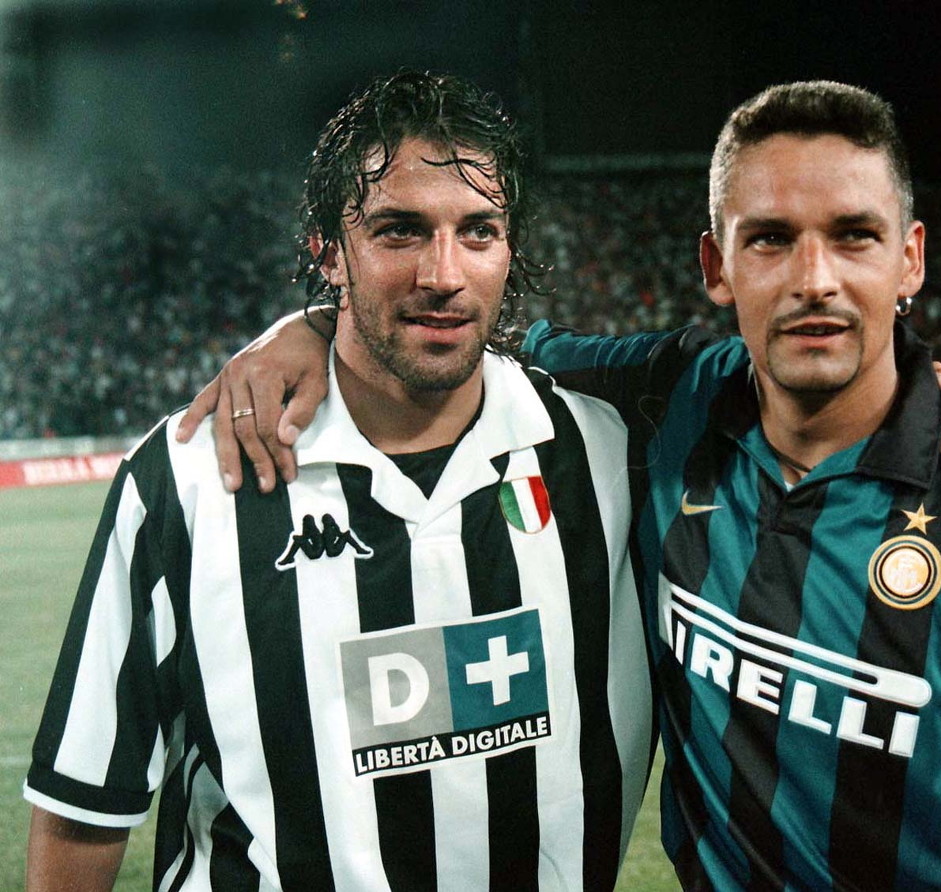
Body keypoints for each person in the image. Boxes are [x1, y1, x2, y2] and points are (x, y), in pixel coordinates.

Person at [179, 82, 941, 890]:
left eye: (855, 236)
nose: (815, 278)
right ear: (715, 267)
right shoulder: (670, 401)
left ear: (911, 259)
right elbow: (462, 335)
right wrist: (308, 325)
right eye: (770, 239)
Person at [24, 71, 657, 891]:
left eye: (479, 231)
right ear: (328, 250)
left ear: (510, 250)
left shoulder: (610, 454)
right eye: (399, 231)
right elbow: (83, 811)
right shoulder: (189, 478)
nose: (444, 272)